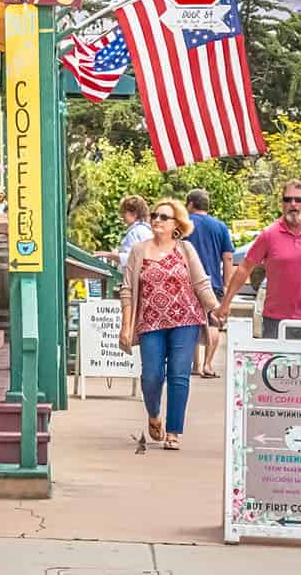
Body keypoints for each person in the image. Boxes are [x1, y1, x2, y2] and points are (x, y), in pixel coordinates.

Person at [118, 198, 218, 450]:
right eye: (154, 215)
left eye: (163, 217)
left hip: (186, 319)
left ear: (176, 224)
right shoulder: (139, 250)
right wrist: (126, 325)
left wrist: (217, 308)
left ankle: (173, 431)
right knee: (151, 376)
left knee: (179, 375)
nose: (156, 220)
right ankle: (154, 414)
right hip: (150, 321)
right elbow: (128, 289)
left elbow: (200, 282)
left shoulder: (185, 249)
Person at [215, 180, 301, 340]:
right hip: (276, 318)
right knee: (276, 365)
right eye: (287, 200)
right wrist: (226, 303)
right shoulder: (269, 235)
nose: (293, 204)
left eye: (299, 200)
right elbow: (244, 268)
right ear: (282, 204)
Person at [183, 189, 234, 377]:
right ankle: (208, 364)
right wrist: (227, 284)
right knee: (213, 323)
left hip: (188, 281)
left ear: (190, 204)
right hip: (213, 281)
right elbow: (227, 257)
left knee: (192, 323)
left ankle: (194, 366)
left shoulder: (185, 225)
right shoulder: (220, 227)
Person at [95, 194, 152, 273]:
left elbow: (132, 258)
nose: (122, 215)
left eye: (124, 212)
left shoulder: (136, 231)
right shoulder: (144, 230)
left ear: (134, 213)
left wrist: (110, 255)